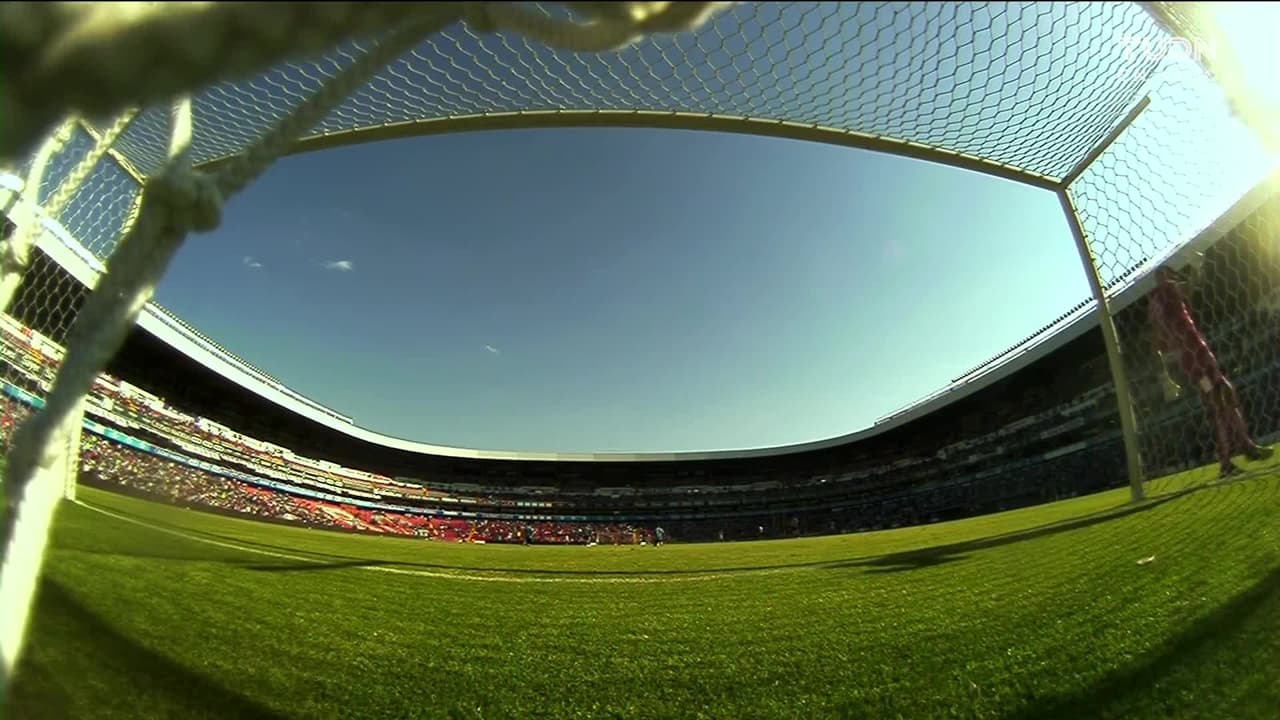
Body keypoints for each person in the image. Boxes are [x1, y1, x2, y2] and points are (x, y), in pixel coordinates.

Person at [1149, 262, 1272, 478]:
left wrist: (1165, 374)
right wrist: (1198, 268)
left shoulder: (1154, 304)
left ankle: (1245, 446)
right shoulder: (1168, 288)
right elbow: (1190, 287)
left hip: (1187, 357)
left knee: (1222, 394)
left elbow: (1157, 341)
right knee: (1218, 401)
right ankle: (1229, 459)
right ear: (1166, 275)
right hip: (1196, 352)